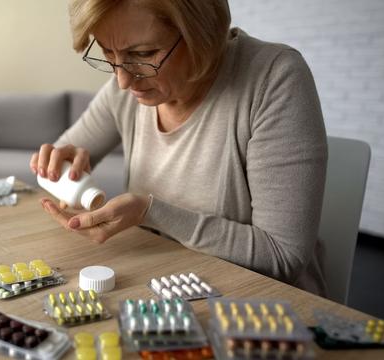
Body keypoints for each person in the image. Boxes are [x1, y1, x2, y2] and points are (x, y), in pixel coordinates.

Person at [29, 0, 327, 295]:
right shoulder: (127, 89)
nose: (122, 80)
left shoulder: (273, 77)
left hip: (261, 307)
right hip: (163, 287)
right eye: (108, 52)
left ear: (203, 34)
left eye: (143, 53)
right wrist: (63, 164)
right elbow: (57, 158)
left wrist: (151, 212)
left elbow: (283, 256)